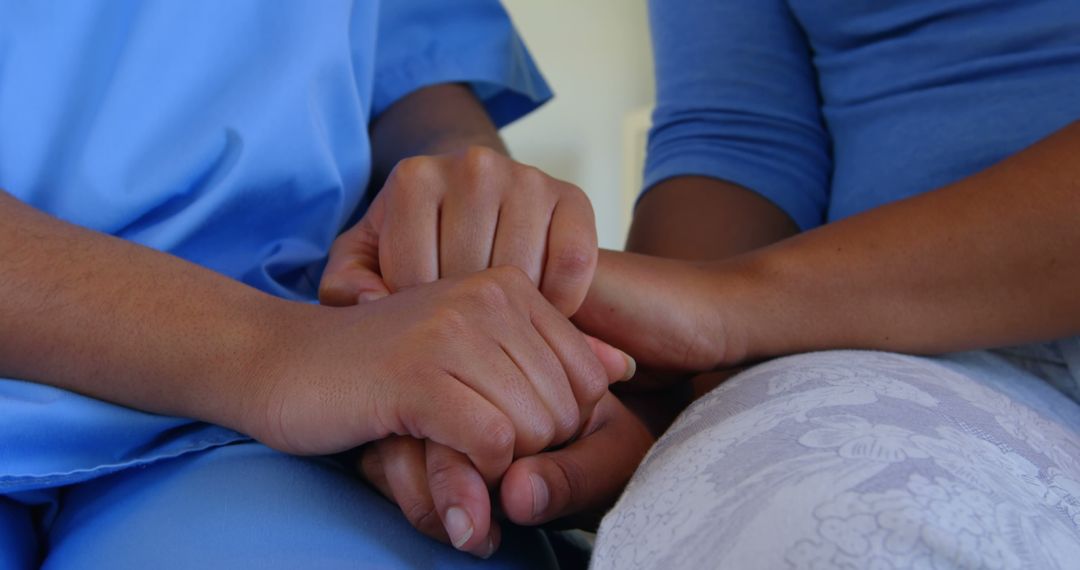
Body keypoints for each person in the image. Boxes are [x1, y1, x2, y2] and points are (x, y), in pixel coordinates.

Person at [350, 0, 1080, 567]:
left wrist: (726, 305)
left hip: (802, 309)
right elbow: (742, 134)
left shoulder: (742, 305)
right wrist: (622, 389)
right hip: (903, 347)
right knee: (814, 528)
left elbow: (723, 300)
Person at [0, 1, 636, 567]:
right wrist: (278, 351)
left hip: (296, 406)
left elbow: (407, 80)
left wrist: (462, 238)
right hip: (290, 359)